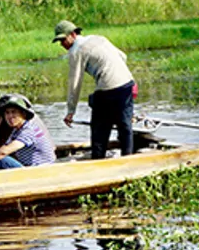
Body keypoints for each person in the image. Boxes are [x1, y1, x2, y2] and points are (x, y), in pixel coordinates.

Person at [54, 20, 137, 159]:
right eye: (59, 41)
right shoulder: (99, 38)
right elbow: (123, 56)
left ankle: (98, 160)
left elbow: (75, 82)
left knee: (100, 129)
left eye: (63, 39)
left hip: (109, 88)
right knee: (125, 125)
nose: (62, 44)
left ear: (73, 34)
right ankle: (128, 158)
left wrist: (70, 111)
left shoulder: (76, 51)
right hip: (128, 83)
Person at [0, 94, 55, 170]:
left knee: (3, 160)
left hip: (40, 169)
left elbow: (3, 153)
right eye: (7, 113)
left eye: (14, 112)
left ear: (23, 114)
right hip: (29, 168)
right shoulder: (16, 130)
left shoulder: (29, 129)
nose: (10, 116)